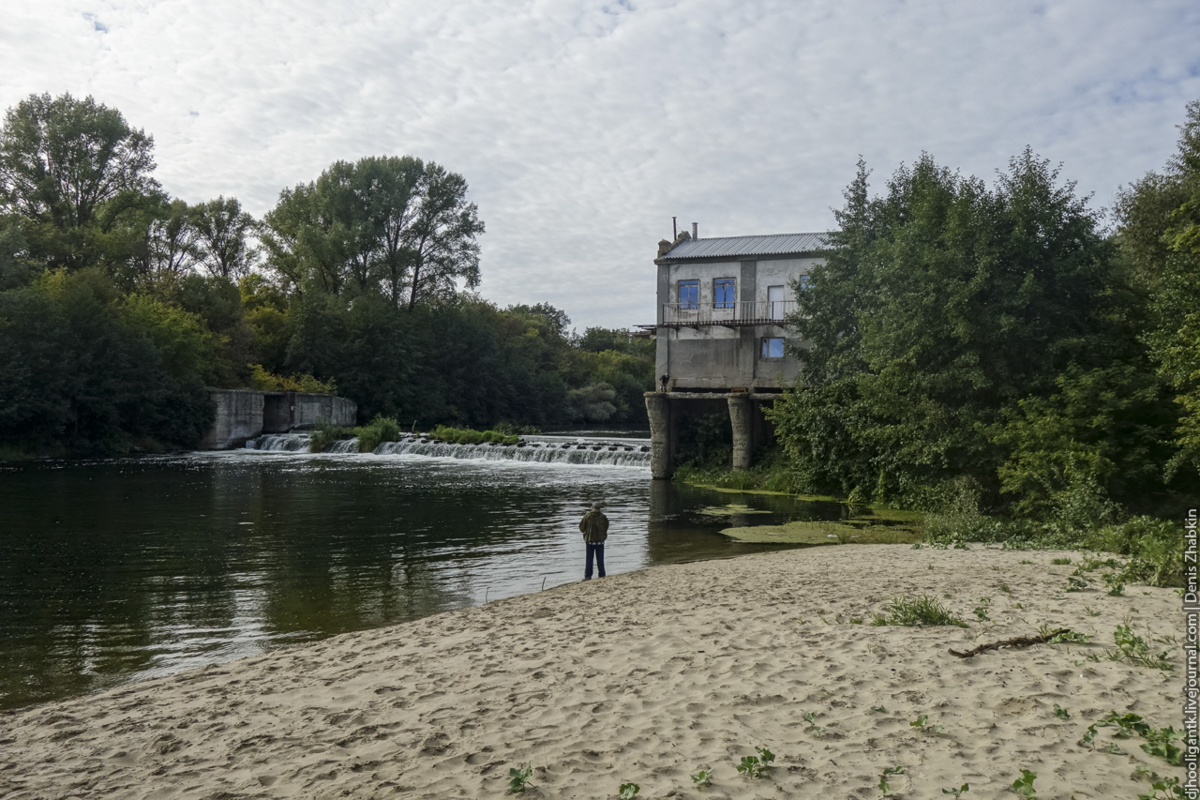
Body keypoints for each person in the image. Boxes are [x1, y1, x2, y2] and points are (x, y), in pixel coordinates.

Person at [579, 501, 609, 580]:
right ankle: (602, 575)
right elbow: (606, 527)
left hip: (590, 541)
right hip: (600, 541)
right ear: (600, 508)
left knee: (589, 559)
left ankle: (588, 576)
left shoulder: (587, 516)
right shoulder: (603, 517)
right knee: (600, 559)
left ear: (592, 507)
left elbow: (581, 528)